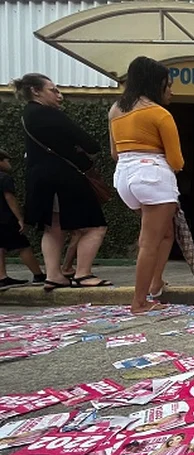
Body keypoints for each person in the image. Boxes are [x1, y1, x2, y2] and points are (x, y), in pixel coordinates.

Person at [14, 73, 109, 292]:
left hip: (38, 179)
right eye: (53, 90)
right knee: (95, 226)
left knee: (53, 227)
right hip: (64, 178)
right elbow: (91, 144)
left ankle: (55, 275)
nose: (60, 95)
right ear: (35, 91)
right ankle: (83, 274)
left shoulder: (27, 115)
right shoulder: (51, 115)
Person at [110, 56, 184, 313]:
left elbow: (114, 153)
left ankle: (156, 283)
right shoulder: (159, 114)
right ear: (156, 84)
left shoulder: (116, 109)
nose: (171, 91)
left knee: (164, 234)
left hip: (124, 176)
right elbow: (176, 161)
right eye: (168, 85)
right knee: (150, 240)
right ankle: (140, 301)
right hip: (152, 176)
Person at [0, 149, 45, 289]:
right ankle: (38, 274)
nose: (9, 164)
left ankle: (2, 277)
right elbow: (10, 198)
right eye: (7, 161)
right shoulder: (4, 178)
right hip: (6, 218)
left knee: (0, 246)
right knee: (23, 246)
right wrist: (19, 217)